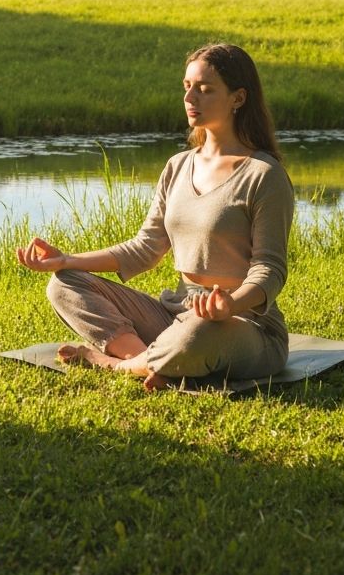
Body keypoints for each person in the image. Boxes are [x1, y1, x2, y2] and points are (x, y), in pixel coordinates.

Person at [16, 43, 294, 392]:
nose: (190, 97)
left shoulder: (263, 175)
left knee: (198, 333)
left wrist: (229, 305)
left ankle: (113, 364)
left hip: (243, 323)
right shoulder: (178, 166)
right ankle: (156, 361)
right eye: (187, 87)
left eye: (205, 90)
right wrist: (67, 259)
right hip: (175, 313)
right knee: (65, 283)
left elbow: (270, 271)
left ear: (238, 98)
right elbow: (145, 248)